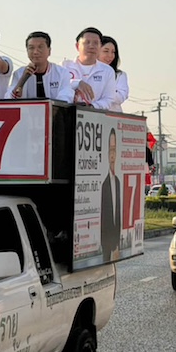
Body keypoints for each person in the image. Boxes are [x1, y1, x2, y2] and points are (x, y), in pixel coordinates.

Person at [5, 31, 74, 102]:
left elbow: (66, 98)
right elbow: (9, 100)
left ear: (49, 51)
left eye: (40, 47)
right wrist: (23, 79)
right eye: (31, 48)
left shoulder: (61, 73)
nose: (35, 52)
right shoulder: (19, 73)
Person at [62, 27, 117, 110]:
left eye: (95, 43)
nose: (91, 46)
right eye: (87, 42)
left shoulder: (107, 71)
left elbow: (108, 100)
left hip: (94, 118)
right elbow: (58, 88)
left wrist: (91, 107)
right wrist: (77, 83)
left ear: (100, 47)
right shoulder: (64, 66)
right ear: (77, 46)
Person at [100, 128, 121, 260]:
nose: (112, 155)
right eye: (110, 150)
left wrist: (117, 243)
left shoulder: (118, 182)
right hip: (106, 244)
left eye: (114, 150)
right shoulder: (104, 184)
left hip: (116, 242)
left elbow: (117, 215)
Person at [99, 36, 128, 112]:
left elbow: (120, 97)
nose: (110, 55)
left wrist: (98, 91)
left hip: (113, 118)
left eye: (113, 52)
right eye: (106, 51)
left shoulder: (119, 75)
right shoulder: (87, 72)